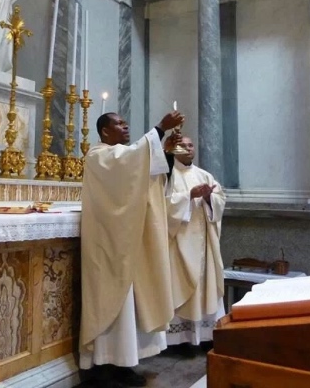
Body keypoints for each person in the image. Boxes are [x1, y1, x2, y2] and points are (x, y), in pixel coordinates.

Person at [80, 111, 184, 387]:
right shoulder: (98, 155)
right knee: (112, 301)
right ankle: (105, 365)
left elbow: (149, 178)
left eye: (127, 122)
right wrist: (160, 128)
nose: (125, 126)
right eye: (119, 123)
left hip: (126, 243)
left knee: (130, 306)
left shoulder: (126, 157)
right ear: (104, 132)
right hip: (108, 246)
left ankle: (125, 362)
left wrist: (167, 155)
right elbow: (130, 162)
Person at [163, 135, 226, 355]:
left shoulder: (204, 175)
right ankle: (181, 340)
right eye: (183, 145)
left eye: (191, 145)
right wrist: (188, 196)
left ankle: (207, 336)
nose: (188, 149)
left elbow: (220, 201)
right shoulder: (168, 175)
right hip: (179, 243)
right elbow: (163, 205)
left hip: (205, 245)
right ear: (174, 149)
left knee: (206, 288)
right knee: (179, 286)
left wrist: (210, 198)